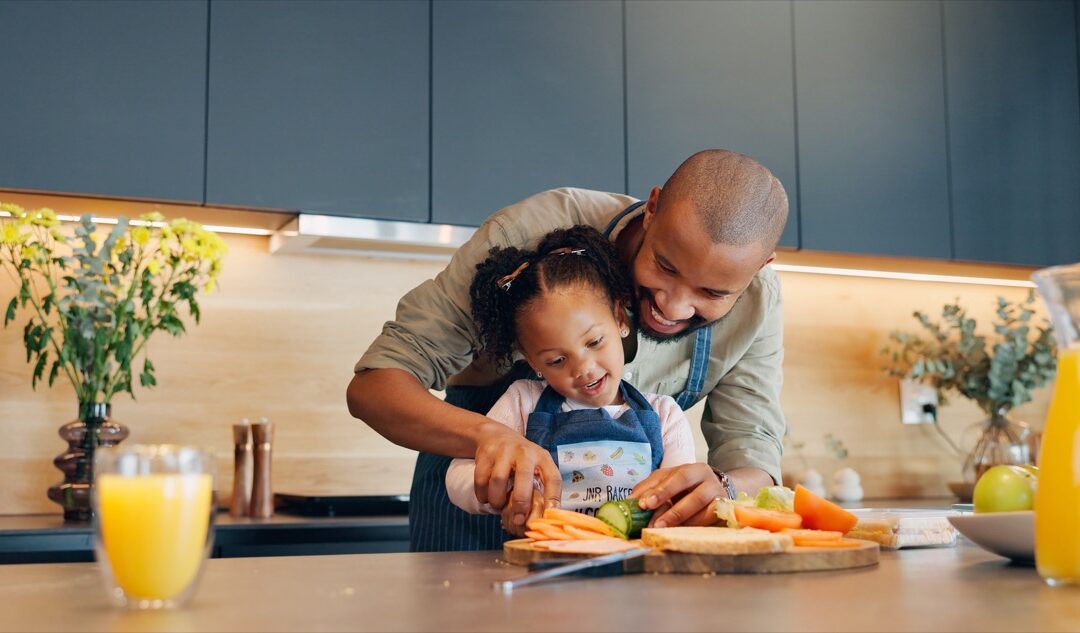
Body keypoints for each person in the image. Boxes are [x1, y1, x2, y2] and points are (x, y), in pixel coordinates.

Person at [348, 149, 789, 551]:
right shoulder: (527, 236)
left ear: (762, 266)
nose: (671, 306)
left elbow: (751, 450)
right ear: (652, 209)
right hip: (476, 525)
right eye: (665, 266)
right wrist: (493, 437)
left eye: (711, 292)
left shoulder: (759, 297)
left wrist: (724, 486)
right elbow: (375, 386)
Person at [444, 226, 696, 535]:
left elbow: (680, 491)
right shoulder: (523, 401)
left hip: (638, 570)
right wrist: (511, 494)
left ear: (619, 319)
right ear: (533, 360)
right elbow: (458, 475)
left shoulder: (664, 414)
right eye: (557, 361)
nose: (584, 369)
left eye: (594, 343)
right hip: (549, 564)